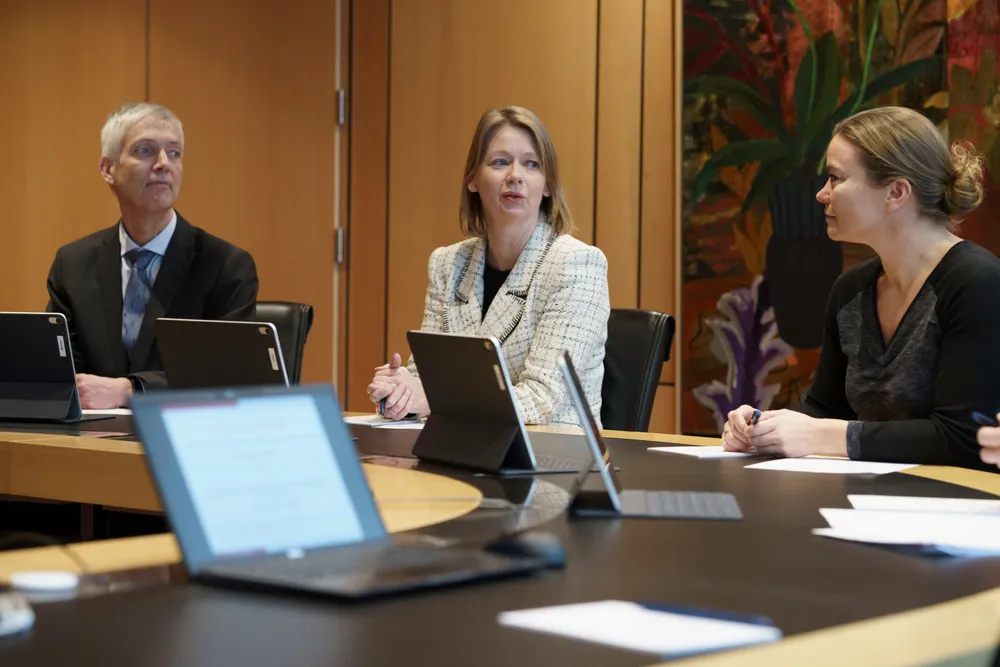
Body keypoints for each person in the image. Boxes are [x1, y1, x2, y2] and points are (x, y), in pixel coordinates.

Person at [721, 106, 1000, 471]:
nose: (822, 194)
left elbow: (962, 437)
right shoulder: (850, 289)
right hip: (870, 498)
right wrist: (762, 427)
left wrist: (821, 435)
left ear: (896, 192)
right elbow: (825, 409)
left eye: (835, 178)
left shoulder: (977, 282)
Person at [367, 106, 610, 425]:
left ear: (547, 185)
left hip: (549, 451)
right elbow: (425, 377)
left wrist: (431, 398)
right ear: (472, 180)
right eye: (500, 162)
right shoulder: (448, 264)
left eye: (532, 164)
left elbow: (541, 397)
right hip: (462, 445)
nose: (515, 176)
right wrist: (399, 393)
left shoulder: (576, 265)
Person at [45, 102, 259, 408]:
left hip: (186, 427)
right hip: (92, 431)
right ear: (108, 168)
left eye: (174, 153)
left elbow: (228, 374)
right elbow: (60, 369)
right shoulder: (73, 264)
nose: (163, 164)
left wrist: (130, 390)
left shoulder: (225, 265)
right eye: (145, 150)